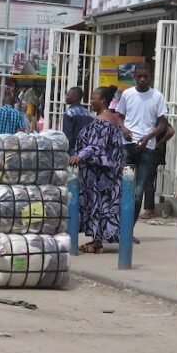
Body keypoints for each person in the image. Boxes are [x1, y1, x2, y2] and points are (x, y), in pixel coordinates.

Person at [68, 86, 125, 254]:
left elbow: (96, 145)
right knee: (99, 205)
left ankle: (98, 243)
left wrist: (80, 156)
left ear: (103, 101)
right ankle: (96, 241)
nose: (91, 101)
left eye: (94, 98)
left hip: (101, 174)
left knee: (99, 205)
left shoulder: (103, 121)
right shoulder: (108, 118)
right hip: (102, 172)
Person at [115, 63, 168, 226]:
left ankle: (128, 229)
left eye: (146, 76)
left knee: (138, 191)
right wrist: (123, 128)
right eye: (139, 76)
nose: (142, 79)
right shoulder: (127, 94)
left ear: (150, 77)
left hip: (147, 148)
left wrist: (148, 137)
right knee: (124, 187)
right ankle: (118, 227)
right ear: (134, 77)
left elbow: (162, 124)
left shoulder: (157, 96)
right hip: (127, 145)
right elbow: (119, 116)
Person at [141, 123, 176, 219]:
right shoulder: (158, 120)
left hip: (153, 152)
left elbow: (171, 131)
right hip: (153, 152)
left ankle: (149, 210)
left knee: (148, 180)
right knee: (147, 180)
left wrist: (159, 143)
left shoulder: (158, 120)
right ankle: (149, 210)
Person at [62, 86, 93, 154]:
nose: (66, 97)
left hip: (73, 151)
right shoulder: (88, 113)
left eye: (68, 95)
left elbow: (68, 136)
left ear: (75, 97)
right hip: (87, 150)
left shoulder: (69, 113)